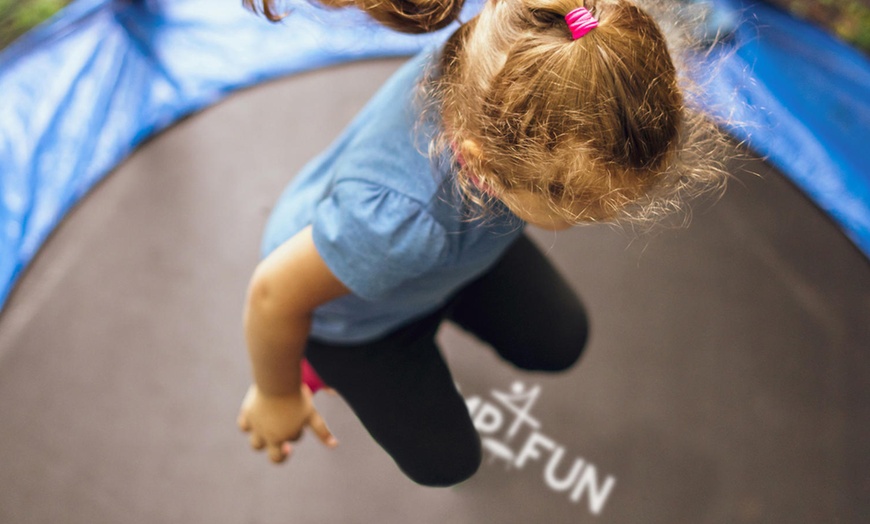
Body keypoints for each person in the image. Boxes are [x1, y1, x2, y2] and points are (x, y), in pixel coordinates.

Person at [237, 0, 727, 487]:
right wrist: (274, 394)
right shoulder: (395, 223)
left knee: (560, 340)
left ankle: (441, 296)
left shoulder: (522, 52)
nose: (599, 217)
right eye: (580, 209)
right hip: (351, 313)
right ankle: (315, 365)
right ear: (484, 167)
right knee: (445, 462)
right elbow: (272, 295)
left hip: (448, 254)